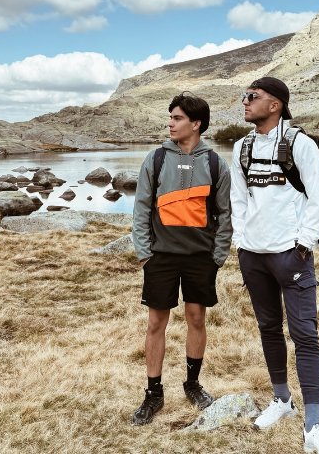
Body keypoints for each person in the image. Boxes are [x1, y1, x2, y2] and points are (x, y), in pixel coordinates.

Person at [231, 76, 319, 454]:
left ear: (275, 105)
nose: (245, 102)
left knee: (305, 336)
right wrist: (241, 244)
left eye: (253, 97)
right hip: (253, 256)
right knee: (268, 328)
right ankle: (282, 402)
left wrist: (303, 245)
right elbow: (238, 200)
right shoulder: (241, 147)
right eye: (245, 96)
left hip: (291, 256)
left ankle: (314, 428)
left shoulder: (301, 144)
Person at [131, 92, 231, 425]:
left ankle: (192, 384)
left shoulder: (215, 163)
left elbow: (225, 214)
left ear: (195, 123)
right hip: (161, 257)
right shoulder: (156, 159)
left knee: (196, 318)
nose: (170, 123)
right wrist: (145, 253)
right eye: (170, 117)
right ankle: (153, 393)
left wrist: (217, 255)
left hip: (200, 257)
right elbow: (142, 208)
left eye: (177, 118)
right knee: (156, 322)